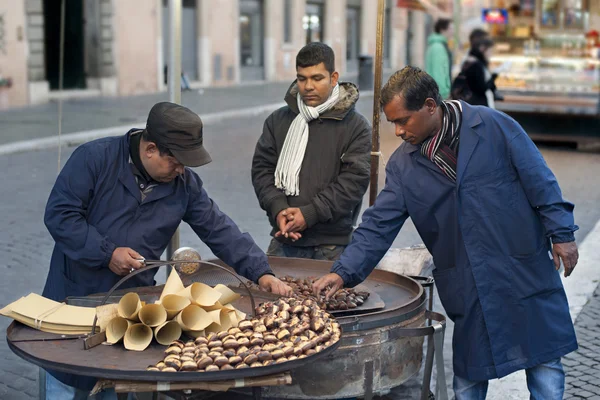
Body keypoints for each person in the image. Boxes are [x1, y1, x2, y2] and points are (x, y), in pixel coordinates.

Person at [313, 66, 579, 400]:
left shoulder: (493, 126)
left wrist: (562, 234)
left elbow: (539, 179)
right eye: (391, 122)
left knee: (544, 364)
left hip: (520, 265)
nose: (397, 131)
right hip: (468, 279)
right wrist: (342, 272)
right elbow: (377, 225)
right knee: (469, 374)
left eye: (402, 120)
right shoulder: (403, 166)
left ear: (429, 105)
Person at [42, 102, 292, 399]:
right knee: (67, 379)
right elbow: (61, 216)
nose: (181, 170)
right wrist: (107, 253)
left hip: (130, 301)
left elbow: (219, 228)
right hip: (77, 295)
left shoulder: (183, 183)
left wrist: (261, 271)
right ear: (150, 150)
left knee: (113, 381)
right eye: (175, 161)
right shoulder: (93, 159)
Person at [251, 42, 371, 261]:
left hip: (333, 246)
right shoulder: (278, 121)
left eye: (317, 78)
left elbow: (354, 182)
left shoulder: (356, 126)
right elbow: (262, 171)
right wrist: (278, 209)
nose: (308, 86)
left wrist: (309, 214)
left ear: (333, 78)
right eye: (302, 78)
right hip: (283, 238)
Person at [461, 36, 498, 108]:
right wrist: (494, 75)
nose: (491, 54)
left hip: (472, 104)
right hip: (477, 105)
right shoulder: (476, 65)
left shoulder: (472, 61)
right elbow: (482, 88)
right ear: (482, 49)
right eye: (490, 51)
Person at [425, 18, 453, 99]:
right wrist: (444, 93)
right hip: (439, 94)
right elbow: (439, 72)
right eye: (450, 28)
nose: (452, 32)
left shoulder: (438, 45)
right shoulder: (438, 47)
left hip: (437, 93)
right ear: (442, 30)